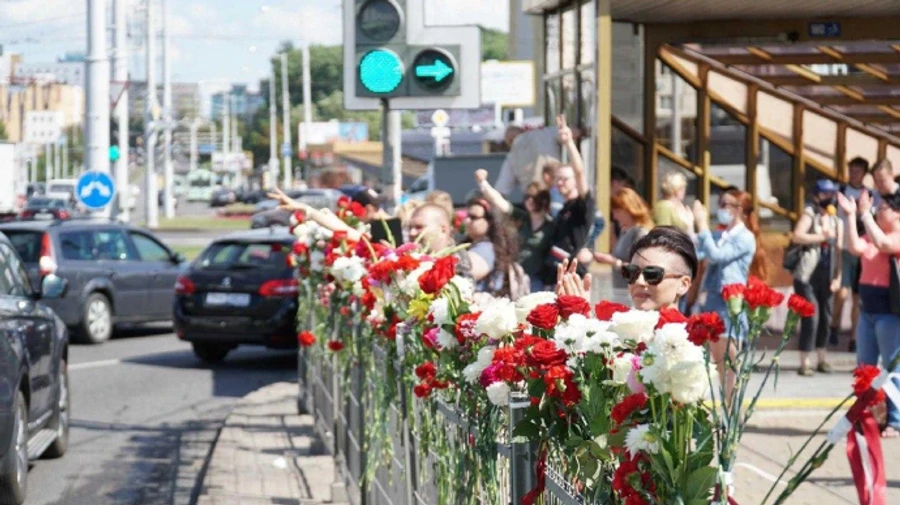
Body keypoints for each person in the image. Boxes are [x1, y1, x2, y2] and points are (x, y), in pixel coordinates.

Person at [838, 189, 900, 438]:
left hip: (889, 313)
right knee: (865, 368)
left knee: (892, 368)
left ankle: (895, 420)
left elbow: (884, 244)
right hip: (868, 311)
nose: (877, 211)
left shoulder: (895, 235)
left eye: (882, 208)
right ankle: (865, 416)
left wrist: (864, 214)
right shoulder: (873, 234)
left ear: (897, 213)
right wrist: (851, 216)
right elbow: (855, 247)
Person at [555, 226, 698, 312]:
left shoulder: (693, 344)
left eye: (652, 274)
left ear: (683, 284)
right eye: (631, 273)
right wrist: (577, 316)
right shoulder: (617, 335)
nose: (639, 282)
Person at [790, 179, 843, 376]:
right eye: (825, 194)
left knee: (826, 317)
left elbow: (839, 252)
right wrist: (822, 236)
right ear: (816, 196)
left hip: (827, 274)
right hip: (807, 274)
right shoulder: (810, 214)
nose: (829, 198)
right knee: (811, 316)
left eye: (831, 194)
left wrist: (838, 277)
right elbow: (797, 236)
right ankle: (805, 361)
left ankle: (822, 358)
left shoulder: (836, 220)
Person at [538, 115, 594, 289]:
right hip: (554, 276)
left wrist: (569, 142)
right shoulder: (563, 208)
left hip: (572, 277)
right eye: (558, 179)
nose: (560, 183)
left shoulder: (582, 205)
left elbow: (579, 172)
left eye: (565, 179)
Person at [476, 171, 554, 292]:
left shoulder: (551, 226)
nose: (530, 201)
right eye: (527, 197)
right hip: (517, 275)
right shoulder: (522, 217)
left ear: (543, 200)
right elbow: (498, 201)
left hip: (538, 279)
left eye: (534, 198)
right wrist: (482, 182)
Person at [833, 157, 872, 351]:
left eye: (857, 171)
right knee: (842, 292)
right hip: (844, 247)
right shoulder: (840, 191)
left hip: (862, 248)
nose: (854, 174)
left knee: (858, 296)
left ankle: (854, 337)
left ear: (864, 173)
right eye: (851, 170)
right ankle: (834, 324)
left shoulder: (869, 195)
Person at [592, 188, 653, 290]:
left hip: (634, 291)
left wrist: (613, 262)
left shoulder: (640, 233)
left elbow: (639, 268)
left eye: (618, 211)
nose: (615, 217)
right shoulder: (624, 231)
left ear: (629, 210)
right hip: (619, 290)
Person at [462, 198, 519, 296]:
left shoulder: (487, 248)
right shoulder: (478, 245)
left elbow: (466, 273)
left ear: (490, 222)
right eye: (467, 216)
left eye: (473, 217)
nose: (467, 221)